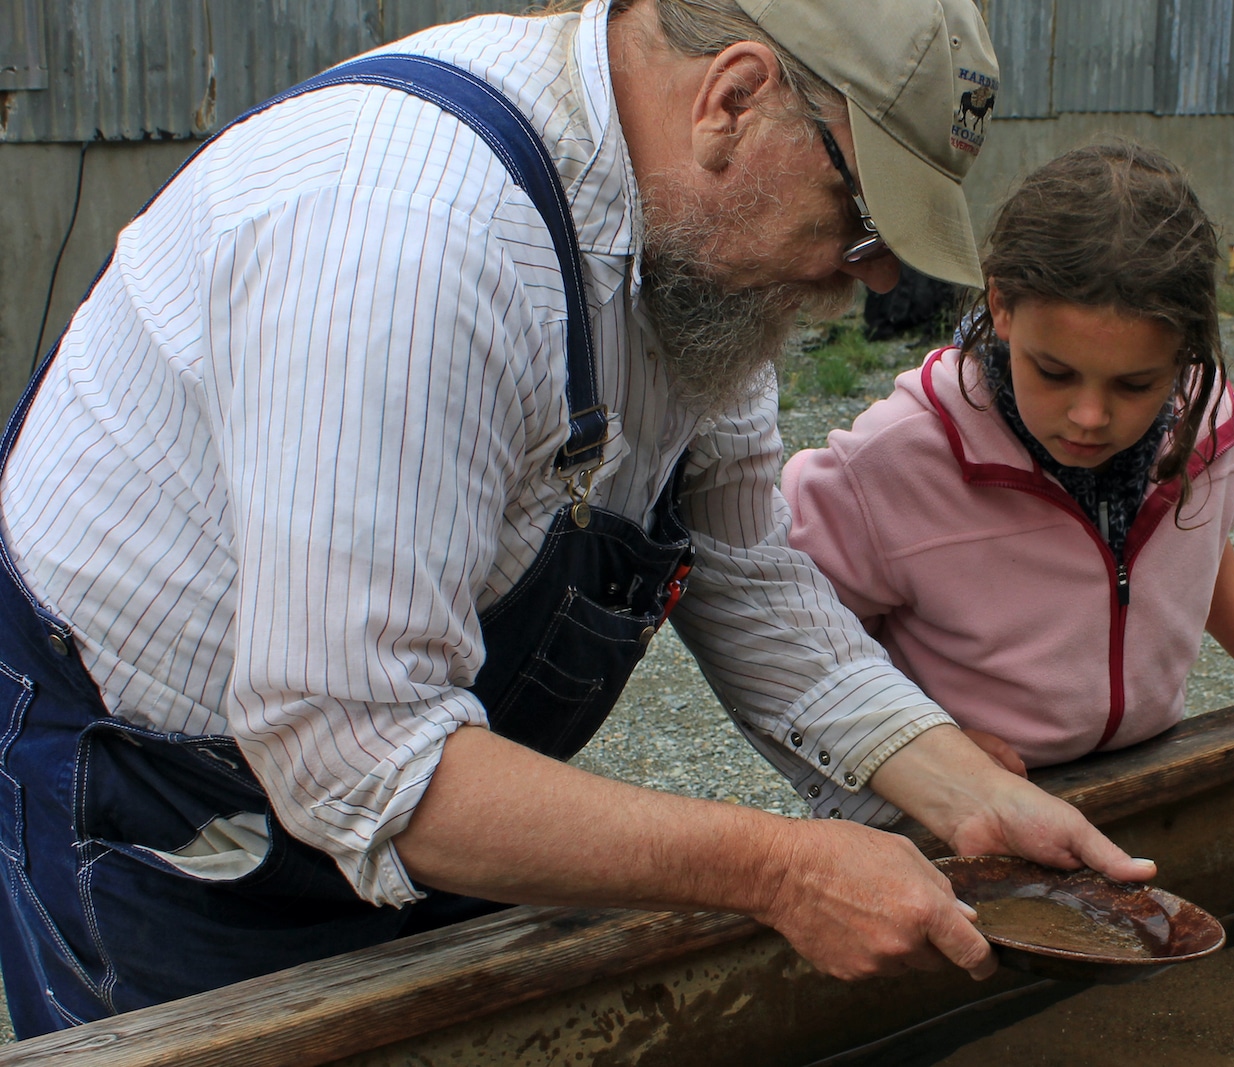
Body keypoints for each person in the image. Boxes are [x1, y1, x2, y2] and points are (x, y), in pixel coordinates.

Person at [0, 0, 1158, 1038]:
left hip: (414, 760)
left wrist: (967, 789)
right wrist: (780, 868)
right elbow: (358, 749)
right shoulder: (407, 242)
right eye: (858, 217)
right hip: (163, 787)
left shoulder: (699, 260)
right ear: (735, 97)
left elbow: (750, 577)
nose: (866, 277)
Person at [781, 142, 1234, 779]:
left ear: (1186, 349)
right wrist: (914, 737)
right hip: (960, 804)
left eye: (1135, 385)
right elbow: (798, 623)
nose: (1090, 417)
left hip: (1144, 778)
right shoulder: (895, 461)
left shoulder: (1210, 428)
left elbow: (1196, 542)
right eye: (1054, 372)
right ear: (1001, 306)